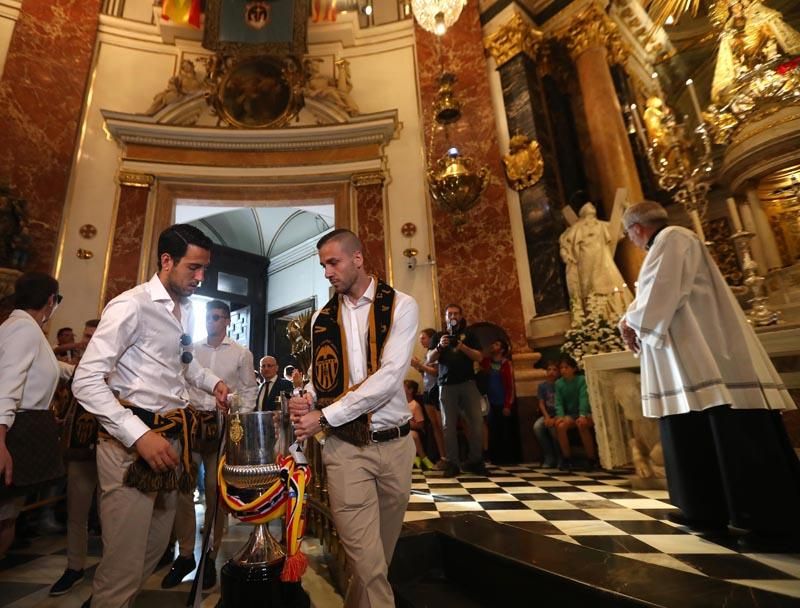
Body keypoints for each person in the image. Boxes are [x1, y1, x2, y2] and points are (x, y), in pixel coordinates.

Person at [619, 200, 800, 551]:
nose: (633, 240)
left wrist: (630, 321)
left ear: (638, 228)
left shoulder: (672, 238)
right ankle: (704, 510)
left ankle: (769, 524)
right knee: (697, 428)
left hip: (706, 357)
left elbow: (660, 293)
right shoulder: (671, 241)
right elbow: (653, 294)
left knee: (727, 427)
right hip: (688, 357)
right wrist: (631, 319)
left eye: (629, 235)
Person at [72, 224, 230, 607]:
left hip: (170, 441)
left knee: (157, 544)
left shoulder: (184, 308)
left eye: (205, 269)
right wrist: (139, 435)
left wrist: (213, 383)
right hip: (130, 445)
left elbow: (183, 363)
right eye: (193, 268)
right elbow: (85, 380)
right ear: (166, 260)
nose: (201, 277)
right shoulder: (131, 305)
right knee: (124, 559)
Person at [289, 229, 418, 608]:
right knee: (368, 563)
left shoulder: (400, 305)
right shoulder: (322, 318)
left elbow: (389, 378)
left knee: (376, 561)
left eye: (334, 262)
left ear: (358, 258)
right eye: (323, 265)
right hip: (346, 450)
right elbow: (322, 375)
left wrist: (323, 415)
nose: (327, 272)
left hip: (395, 446)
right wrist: (307, 397)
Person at [163, 300, 257, 591]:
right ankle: (186, 553)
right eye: (208, 317)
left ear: (228, 320)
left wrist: (235, 416)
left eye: (217, 317)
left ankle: (211, 554)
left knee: (216, 493)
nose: (211, 322)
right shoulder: (194, 349)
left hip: (221, 425)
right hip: (191, 425)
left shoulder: (241, 353)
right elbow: (183, 380)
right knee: (183, 486)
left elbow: (249, 391)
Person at [0, 272, 73, 558]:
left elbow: (48, 366)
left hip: (22, 426)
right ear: (51, 300)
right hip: (15, 431)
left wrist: (80, 371)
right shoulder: (25, 329)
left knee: (9, 513)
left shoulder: (18, 325)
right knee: (5, 517)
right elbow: (8, 384)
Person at [49, 319, 102, 596]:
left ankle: (111, 571)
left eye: (93, 335)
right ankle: (74, 566)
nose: (87, 341)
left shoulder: (114, 363)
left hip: (108, 447)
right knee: (77, 510)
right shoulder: (78, 366)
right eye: (86, 335)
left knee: (110, 515)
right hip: (79, 448)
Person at [428, 304, 487, 478]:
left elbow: (479, 357)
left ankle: (475, 461)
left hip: (468, 383)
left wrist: (462, 347)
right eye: (449, 314)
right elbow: (429, 359)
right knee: (448, 426)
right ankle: (452, 463)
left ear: (461, 317)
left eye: (455, 313)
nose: (452, 316)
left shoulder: (469, 335)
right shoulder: (439, 336)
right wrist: (439, 346)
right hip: (446, 386)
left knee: (476, 423)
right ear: (445, 317)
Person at [559, 202, 632, 320]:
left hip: (603, 259)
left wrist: (628, 210)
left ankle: (616, 312)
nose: (590, 207)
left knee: (612, 281)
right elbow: (565, 242)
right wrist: (565, 254)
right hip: (586, 261)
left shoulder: (602, 225)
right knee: (591, 287)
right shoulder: (576, 228)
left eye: (593, 207)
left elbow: (621, 228)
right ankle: (598, 317)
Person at [554, 355, 597, 471]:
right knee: (560, 426)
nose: (563, 370)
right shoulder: (558, 383)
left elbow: (584, 398)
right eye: (561, 368)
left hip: (585, 412)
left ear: (574, 369)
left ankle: (591, 459)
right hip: (571, 414)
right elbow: (558, 402)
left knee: (581, 424)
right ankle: (567, 459)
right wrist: (561, 416)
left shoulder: (581, 380)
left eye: (566, 367)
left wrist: (583, 415)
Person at [410, 328, 445, 467]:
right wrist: (419, 367)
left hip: (437, 390)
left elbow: (436, 372)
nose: (421, 341)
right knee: (435, 426)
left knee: (442, 425)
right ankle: (442, 456)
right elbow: (426, 375)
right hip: (427, 391)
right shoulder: (427, 354)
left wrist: (420, 366)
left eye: (423, 338)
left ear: (432, 338)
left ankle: (448, 457)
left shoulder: (436, 352)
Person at [481, 339, 519, 465]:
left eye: (496, 344)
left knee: (504, 431)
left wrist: (508, 404)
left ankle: (506, 458)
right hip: (489, 402)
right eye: (493, 343)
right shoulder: (487, 362)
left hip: (502, 402)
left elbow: (510, 386)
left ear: (502, 349)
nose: (493, 345)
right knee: (493, 430)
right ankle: (494, 457)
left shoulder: (506, 364)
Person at [533, 361, 561, 468]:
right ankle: (549, 456)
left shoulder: (560, 384)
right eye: (549, 369)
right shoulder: (542, 386)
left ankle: (560, 457)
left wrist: (556, 417)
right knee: (537, 427)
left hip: (559, 414)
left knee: (553, 429)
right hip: (547, 415)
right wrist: (546, 417)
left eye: (554, 370)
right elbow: (541, 403)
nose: (551, 372)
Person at [404, 380, 434, 471]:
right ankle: (414, 458)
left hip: (414, 430)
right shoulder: (401, 404)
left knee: (413, 435)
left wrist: (407, 423)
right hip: (402, 430)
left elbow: (420, 425)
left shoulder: (415, 405)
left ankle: (423, 457)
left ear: (410, 390)